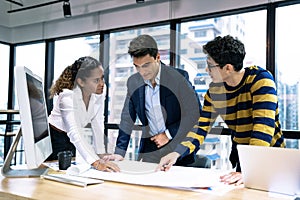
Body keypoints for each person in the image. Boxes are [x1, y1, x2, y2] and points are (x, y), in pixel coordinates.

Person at [157, 35, 285, 185]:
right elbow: (201, 128)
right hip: (243, 161)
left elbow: (263, 128)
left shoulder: (260, 80)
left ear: (228, 68)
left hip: (271, 159)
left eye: (210, 65)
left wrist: (250, 170)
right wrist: (177, 152)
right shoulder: (215, 91)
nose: (207, 69)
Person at [105, 34, 201, 166]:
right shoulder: (133, 82)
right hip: (150, 148)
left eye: (146, 65)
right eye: (137, 66)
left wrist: (168, 134)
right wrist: (119, 152)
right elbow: (127, 118)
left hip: (177, 146)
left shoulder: (178, 77)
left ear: (158, 57)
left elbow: (194, 113)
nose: (142, 72)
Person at [47, 56, 120, 172]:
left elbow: (98, 122)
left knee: (70, 172)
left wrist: (101, 154)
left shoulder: (99, 91)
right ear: (81, 81)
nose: (101, 83)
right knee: (54, 174)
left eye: (102, 78)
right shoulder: (67, 97)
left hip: (70, 138)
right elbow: (74, 130)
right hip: (54, 138)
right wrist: (96, 163)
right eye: (96, 80)